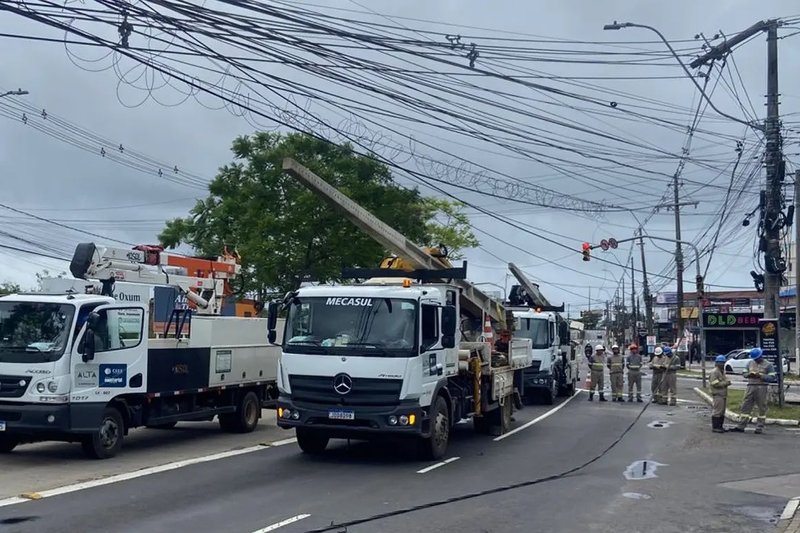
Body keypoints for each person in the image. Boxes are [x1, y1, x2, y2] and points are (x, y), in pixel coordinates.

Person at [730, 348, 777, 434]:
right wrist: (748, 374)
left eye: (757, 358)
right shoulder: (750, 363)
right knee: (745, 405)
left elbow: (772, 377)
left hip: (762, 387)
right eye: (755, 358)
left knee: (762, 407)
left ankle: (759, 427)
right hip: (750, 386)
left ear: (761, 356)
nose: (756, 360)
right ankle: (741, 426)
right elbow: (744, 373)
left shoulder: (768, 365)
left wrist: (761, 376)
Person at [709, 355, 732, 433]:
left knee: (722, 411)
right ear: (717, 363)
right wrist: (726, 383)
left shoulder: (721, 371)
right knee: (717, 411)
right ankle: (715, 427)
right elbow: (714, 383)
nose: (722, 364)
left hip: (722, 394)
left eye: (723, 363)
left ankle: (720, 426)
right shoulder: (715, 372)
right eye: (721, 363)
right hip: (717, 394)